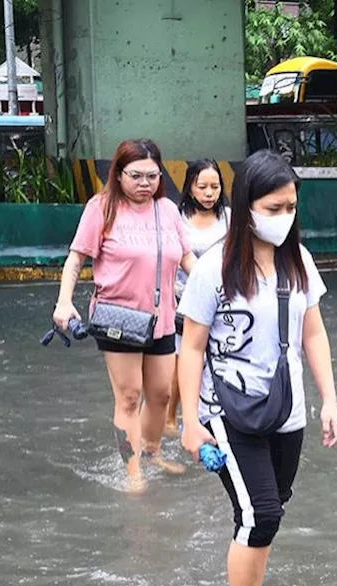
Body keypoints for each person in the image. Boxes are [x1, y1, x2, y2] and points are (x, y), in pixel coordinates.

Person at [177, 150, 337, 586]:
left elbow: (312, 333)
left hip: (286, 409)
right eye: (274, 207)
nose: (285, 215)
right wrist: (189, 421)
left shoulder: (299, 260)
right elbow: (192, 345)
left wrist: (330, 400)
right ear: (247, 205)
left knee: (270, 509)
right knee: (259, 512)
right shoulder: (214, 267)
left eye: (291, 205)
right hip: (228, 409)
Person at [51, 139, 197, 492]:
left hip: (162, 316)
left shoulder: (167, 210)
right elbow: (76, 259)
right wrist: (63, 302)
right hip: (118, 318)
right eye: (136, 176)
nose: (145, 183)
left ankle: (152, 450)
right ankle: (134, 472)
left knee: (161, 394)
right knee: (129, 396)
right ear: (118, 174)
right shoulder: (101, 208)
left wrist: (219, 287)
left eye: (152, 176)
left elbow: (188, 259)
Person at [166, 159, 231, 436]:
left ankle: (203, 415)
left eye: (214, 187)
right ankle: (170, 417)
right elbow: (174, 257)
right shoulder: (177, 217)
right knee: (183, 357)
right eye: (202, 186)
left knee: (213, 357)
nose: (209, 193)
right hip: (184, 300)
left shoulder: (230, 216)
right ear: (190, 187)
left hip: (223, 297)